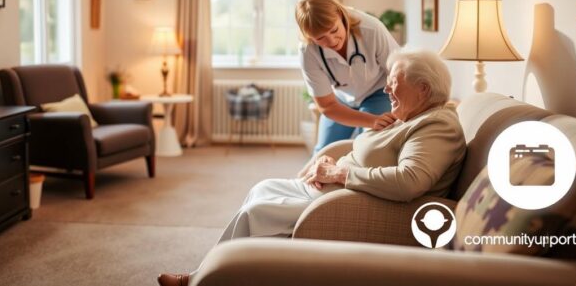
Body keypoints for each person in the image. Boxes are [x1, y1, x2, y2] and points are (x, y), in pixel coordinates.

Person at [157, 50, 467, 286]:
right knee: (262, 188)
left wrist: (340, 173)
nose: (386, 91)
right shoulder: (412, 116)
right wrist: (330, 161)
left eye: (394, 84)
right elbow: (372, 153)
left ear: (424, 89)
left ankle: (200, 280)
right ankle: (237, 271)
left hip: (357, 201)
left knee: (258, 213)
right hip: (338, 188)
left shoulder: (435, 126)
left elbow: (409, 182)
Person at [295, 0, 400, 155]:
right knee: (323, 153)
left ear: (340, 13)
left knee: (366, 147)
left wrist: (379, 120)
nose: (331, 41)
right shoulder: (308, 51)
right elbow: (327, 105)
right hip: (340, 100)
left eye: (333, 30)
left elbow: (400, 73)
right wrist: (371, 120)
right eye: (320, 38)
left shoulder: (371, 29)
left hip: (378, 92)